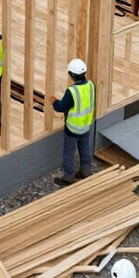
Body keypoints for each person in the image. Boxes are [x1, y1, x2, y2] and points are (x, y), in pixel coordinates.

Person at [51, 57, 95, 185]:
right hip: (86, 125)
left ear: (70, 74)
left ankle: (69, 177)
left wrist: (54, 102)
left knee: (69, 152)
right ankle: (86, 171)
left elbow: (61, 107)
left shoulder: (72, 91)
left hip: (73, 128)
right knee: (84, 147)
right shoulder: (91, 85)